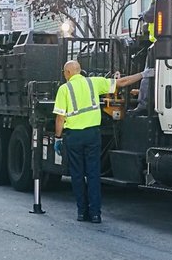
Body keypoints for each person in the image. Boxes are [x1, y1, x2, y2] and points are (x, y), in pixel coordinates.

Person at [53, 61, 140, 223]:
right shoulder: (93, 83)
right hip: (92, 135)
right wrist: (143, 74)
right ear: (80, 71)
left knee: (77, 175)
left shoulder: (64, 89)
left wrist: (58, 138)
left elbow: (60, 118)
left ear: (68, 73)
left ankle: (81, 212)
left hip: (74, 137)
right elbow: (122, 82)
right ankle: (95, 214)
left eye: (64, 73)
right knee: (93, 174)